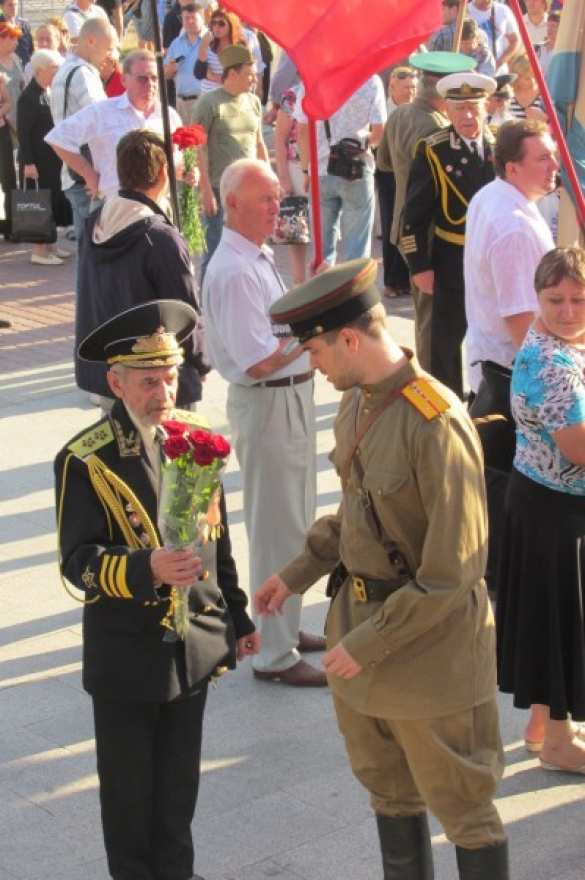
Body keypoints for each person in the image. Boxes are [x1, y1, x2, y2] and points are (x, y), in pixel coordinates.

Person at [256, 257, 509, 879]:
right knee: (389, 796)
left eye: (315, 350)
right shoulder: (357, 403)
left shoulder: (436, 423)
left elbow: (454, 570)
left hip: (432, 658)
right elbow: (357, 515)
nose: (312, 365)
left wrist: (366, 643)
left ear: (349, 339)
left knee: (466, 812)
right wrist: (294, 574)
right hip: (363, 647)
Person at [55, 299, 260, 880]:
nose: (164, 392)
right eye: (148, 381)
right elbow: (77, 562)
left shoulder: (196, 439)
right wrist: (147, 567)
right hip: (127, 653)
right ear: (116, 383)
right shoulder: (84, 459)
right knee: (128, 795)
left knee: (178, 786)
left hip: (191, 647)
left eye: (170, 377)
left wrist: (237, 617)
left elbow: (216, 539)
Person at [202, 158, 325, 687]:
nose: (278, 206)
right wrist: (316, 328)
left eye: (277, 196)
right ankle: (274, 652)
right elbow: (258, 361)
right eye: (266, 198)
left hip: (288, 398)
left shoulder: (254, 255)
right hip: (269, 401)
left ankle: (287, 628)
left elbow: (275, 335)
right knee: (278, 530)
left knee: (296, 524)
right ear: (233, 204)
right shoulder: (233, 270)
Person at [496, 246, 585, 775]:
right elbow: (578, 447)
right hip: (553, 511)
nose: (568, 311)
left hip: (546, 503)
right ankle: (558, 741)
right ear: (538, 298)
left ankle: (542, 727)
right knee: (561, 623)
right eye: (556, 300)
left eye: (578, 298)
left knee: (552, 622)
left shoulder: (562, 340)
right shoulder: (552, 363)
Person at [464, 119, 557, 594]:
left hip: (495, 372)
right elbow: (524, 326)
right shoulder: (514, 227)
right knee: (512, 505)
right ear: (513, 166)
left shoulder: (493, 196)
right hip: (514, 380)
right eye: (543, 157)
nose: (554, 164)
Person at [75, 128, 206, 410]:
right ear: (163, 172)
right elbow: (184, 312)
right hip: (158, 383)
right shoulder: (159, 238)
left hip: (112, 375)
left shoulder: (94, 223)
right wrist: (200, 364)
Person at [401, 72, 496, 398]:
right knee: (446, 342)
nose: (467, 116)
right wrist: (419, 266)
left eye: (473, 107)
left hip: (493, 259)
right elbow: (413, 215)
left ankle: (489, 404)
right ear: (447, 110)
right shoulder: (434, 150)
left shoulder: (502, 145)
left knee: (494, 336)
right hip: (452, 258)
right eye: (459, 109)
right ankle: (450, 407)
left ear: (486, 107)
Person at [383, 51, 473, 370]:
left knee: (427, 315)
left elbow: (385, 164)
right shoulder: (437, 129)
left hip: (407, 226)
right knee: (435, 322)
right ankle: (432, 383)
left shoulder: (399, 114)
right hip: (430, 232)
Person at [46, 50, 188, 202]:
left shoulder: (168, 115)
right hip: (115, 204)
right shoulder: (103, 112)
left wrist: (186, 173)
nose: (150, 84)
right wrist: (89, 174)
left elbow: (178, 162)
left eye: (154, 78)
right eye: (142, 79)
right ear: (124, 80)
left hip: (159, 205)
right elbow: (58, 138)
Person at [192, 44, 268, 277]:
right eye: (249, 74)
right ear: (232, 73)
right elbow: (198, 148)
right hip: (221, 190)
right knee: (216, 250)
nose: (254, 79)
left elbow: (259, 143)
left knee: (252, 247)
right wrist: (205, 190)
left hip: (251, 191)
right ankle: (208, 297)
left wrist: (270, 182)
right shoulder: (208, 103)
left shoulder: (253, 102)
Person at [296, 76, 387, 265]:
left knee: (321, 252)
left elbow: (303, 130)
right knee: (356, 250)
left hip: (320, 168)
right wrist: (359, 143)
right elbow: (379, 133)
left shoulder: (313, 79)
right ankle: (352, 283)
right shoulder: (370, 80)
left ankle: (323, 281)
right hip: (357, 168)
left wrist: (306, 170)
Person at [48, 17, 117, 240]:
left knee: (87, 250)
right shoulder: (83, 75)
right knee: (95, 251)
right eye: (109, 48)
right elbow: (103, 122)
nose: (111, 55)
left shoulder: (66, 70)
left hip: (76, 174)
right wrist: (91, 174)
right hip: (88, 177)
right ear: (91, 41)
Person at [17, 49, 72, 266]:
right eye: (54, 69)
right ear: (40, 70)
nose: (57, 72)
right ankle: (39, 251)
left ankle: (51, 245)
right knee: (40, 201)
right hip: (37, 160)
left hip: (50, 158)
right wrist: (29, 163)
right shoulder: (28, 97)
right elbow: (23, 133)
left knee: (53, 198)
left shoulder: (47, 91)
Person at [375, 67, 416, 298]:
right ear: (392, 87)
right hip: (389, 173)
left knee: (410, 225)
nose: (410, 92)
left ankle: (409, 278)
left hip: (411, 174)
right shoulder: (385, 110)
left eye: (413, 87)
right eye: (406, 87)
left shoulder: (416, 111)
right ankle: (392, 281)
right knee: (391, 223)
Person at [273, 83, 307, 284]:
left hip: (323, 167)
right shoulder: (292, 96)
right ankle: (299, 282)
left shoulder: (330, 87)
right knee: (296, 229)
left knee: (326, 228)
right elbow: (279, 138)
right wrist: (283, 177)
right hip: (296, 167)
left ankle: (323, 281)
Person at [164, 2, 206, 124]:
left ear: (203, 19)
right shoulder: (176, 43)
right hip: (181, 103)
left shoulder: (211, 41)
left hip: (205, 101)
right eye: (186, 18)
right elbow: (166, 75)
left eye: (194, 18)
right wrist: (170, 69)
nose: (190, 21)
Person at [0, 20, 23, 241]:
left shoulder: (16, 59)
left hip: (18, 120)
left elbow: (21, 89)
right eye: (12, 38)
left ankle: (13, 225)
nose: (16, 42)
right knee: (5, 175)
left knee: (11, 176)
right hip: (5, 124)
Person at [195, 9, 244, 94]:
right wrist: (203, 45)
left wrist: (211, 75)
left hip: (228, 97)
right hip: (206, 97)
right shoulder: (208, 44)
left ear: (231, 25)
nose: (216, 27)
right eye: (214, 23)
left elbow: (237, 78)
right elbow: (198, 73)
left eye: (221, 23)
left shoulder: (239, 48)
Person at [467, 0, 520, 74]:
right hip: (473, 73)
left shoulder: (503, 10)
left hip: (499, 73)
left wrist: (499, 63)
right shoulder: (466, 11)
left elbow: (515, 40)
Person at [508, 54, 547, 120]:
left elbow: (558, 121)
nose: (532, 81)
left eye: (535, 76)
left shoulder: (545, 94)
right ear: (517, 78)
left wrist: (545, 118)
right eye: (527, 78)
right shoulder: (508, 95)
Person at [0, 0, 33, 67]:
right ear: (2, 7)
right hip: (5, 66)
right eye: (10, 5)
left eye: (16, 4)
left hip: (25, 65)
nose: (14, 8)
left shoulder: (24, 24)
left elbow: (30, 47)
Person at [536, 10, 560, 76]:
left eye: (553, 26)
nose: (550, 29)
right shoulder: (538, 47)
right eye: (548, 25)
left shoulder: (562, 50)